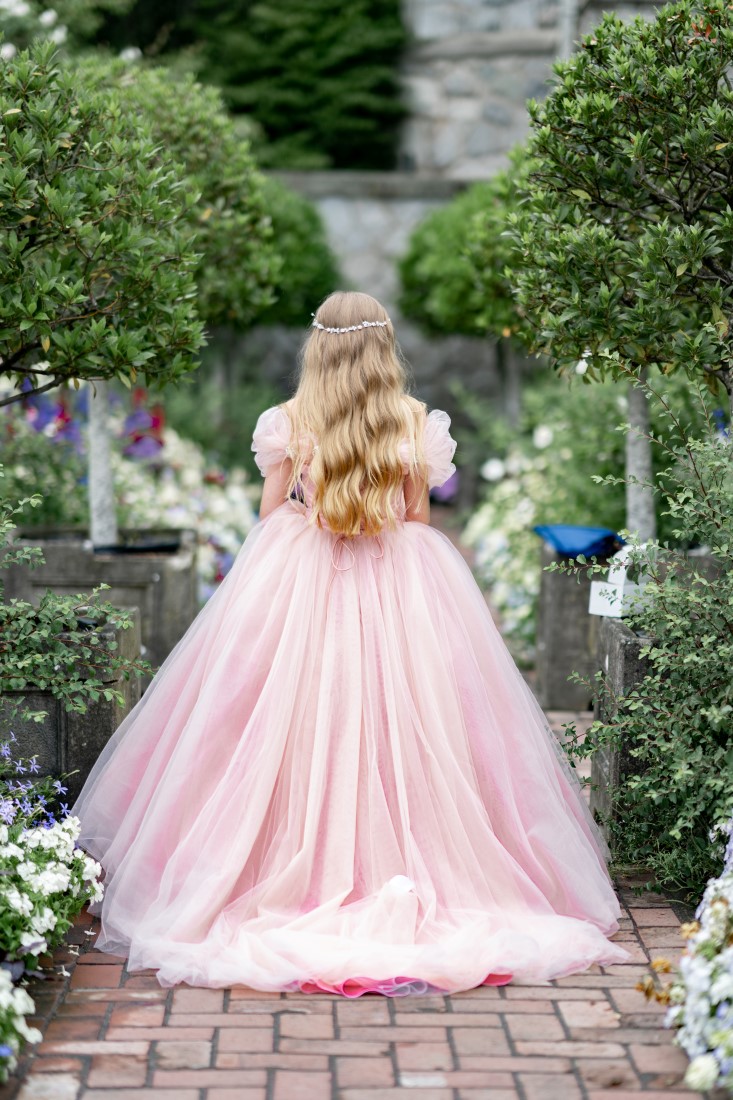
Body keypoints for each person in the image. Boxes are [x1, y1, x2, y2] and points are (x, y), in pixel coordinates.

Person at [72, 291, 628, 996]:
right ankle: (416, 860)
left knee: (291, 721)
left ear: (318, 347)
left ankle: (286, 869)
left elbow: (273, 513)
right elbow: (418, 517)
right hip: (401, 581)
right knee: (413, 722)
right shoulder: (414, 423)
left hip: (302, 582)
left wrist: (312, 515)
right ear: (383, 348)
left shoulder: (287, 422)